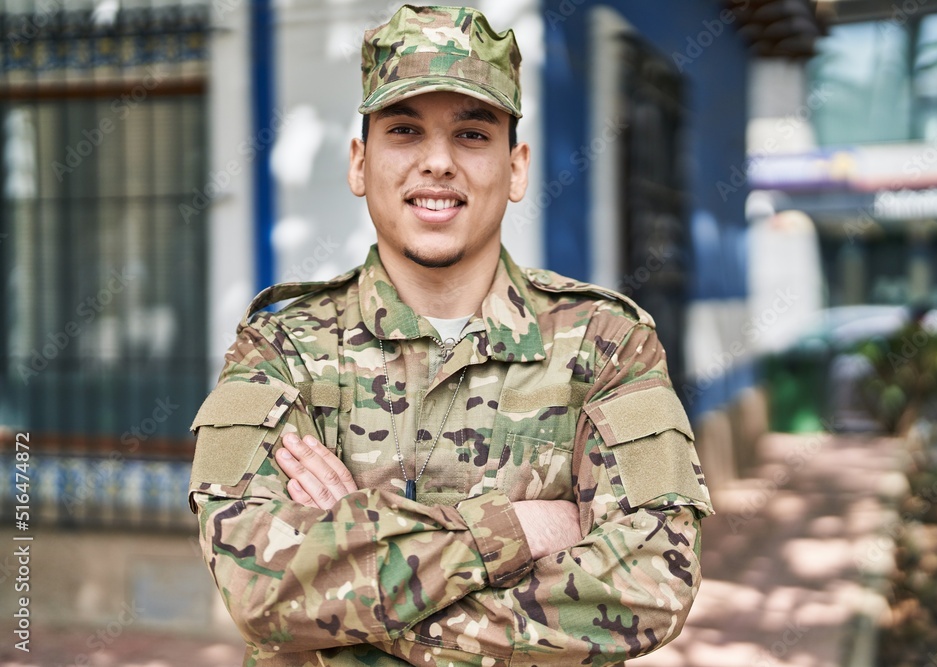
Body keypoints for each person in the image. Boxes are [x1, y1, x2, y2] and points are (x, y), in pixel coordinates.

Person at [187, 4, 713, 665]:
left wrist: (355, 567)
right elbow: (261, 591)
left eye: (471, 134)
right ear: (359, 162)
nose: (437, 161)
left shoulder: (606, 344)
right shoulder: (279, 350)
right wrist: (521, 528)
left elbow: (649, 587)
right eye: (405, 130)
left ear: (516, 166)